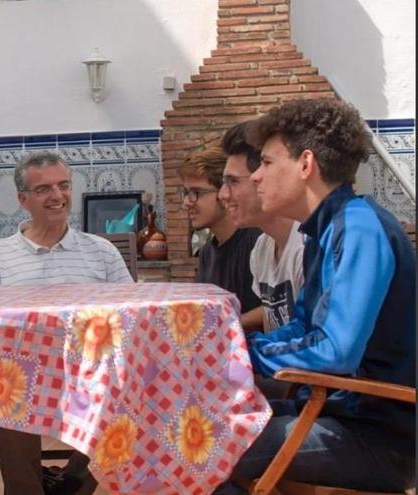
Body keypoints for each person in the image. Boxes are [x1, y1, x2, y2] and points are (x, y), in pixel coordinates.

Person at [215, 99, 415, 493]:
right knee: (194, 425)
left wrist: (241, 357)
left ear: (306, 165)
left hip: (375, 436)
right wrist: (232, 348)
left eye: (268, 163)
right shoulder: (322, 234)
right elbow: (303, 327)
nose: (257, 176)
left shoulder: (360, 228)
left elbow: (337, 351)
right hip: (331, 411)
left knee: (197, 449)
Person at [0, 151, 134, 495]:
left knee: (132, 387)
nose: (57, 196)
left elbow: (130, 314)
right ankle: (25, 490)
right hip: (22, 370)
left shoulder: (101, 252)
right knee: (7, 387)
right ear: (23, 199)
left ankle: (73, 482)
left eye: (63, 186)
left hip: (89, 369)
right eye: (44, 189)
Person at [219, 121, 305, 332]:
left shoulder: (306, 247)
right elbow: (271, 333)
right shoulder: (262, 249)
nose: (222, 195)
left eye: (233, 181)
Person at [178, 147, 263, 331]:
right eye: (185, 193)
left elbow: (273, 307)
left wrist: (223, 324)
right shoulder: (207, 252)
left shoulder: (257, 241)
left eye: (196, 193)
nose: (186, 202)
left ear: (223, 192)